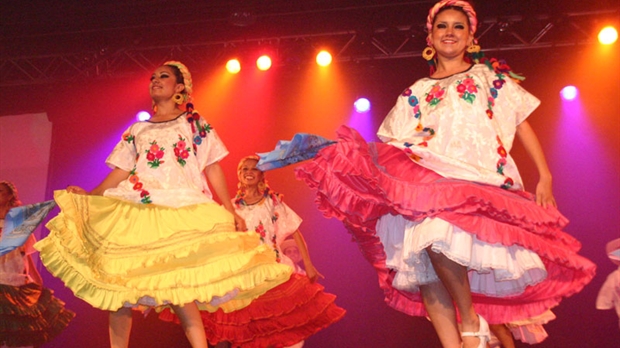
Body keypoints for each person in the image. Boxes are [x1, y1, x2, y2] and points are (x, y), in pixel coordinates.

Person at [289, 1, 596, 347]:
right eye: (442, 26)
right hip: (426, 185)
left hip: (477, 181)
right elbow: (391, 144)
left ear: (471, 39)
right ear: (430, 37)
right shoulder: (415, 92)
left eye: (458, 27)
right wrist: (337, 153)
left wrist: (545, 176)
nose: (450, 32)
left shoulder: (487, 79)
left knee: (436, 239)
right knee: (422, 266)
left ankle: (470, 322)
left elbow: (521, 123)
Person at [33, 62, 292, 348]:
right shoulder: (138, 128)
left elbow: (213, 166)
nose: (156, 80)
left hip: (181, 207)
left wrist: (229, 210)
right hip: (138, 208)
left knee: (178, 289)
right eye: (153, 77)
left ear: (179, 87)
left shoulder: (193, 122)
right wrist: (92, 195)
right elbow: (121, 170)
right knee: (118, 286)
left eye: (164, 77)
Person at [160, 155, 345, 348]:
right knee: (232, 326)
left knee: (284, 324)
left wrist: (308, 264)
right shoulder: (231, 207)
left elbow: (294, 230)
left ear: (261, 174)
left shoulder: (272, 202)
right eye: (244, 169)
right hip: (243, 273)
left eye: (253, 169)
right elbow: (218, 240)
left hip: (272, 268)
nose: (248, 172)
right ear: (238, 175)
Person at [0, 181, 75, 347]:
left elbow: (24, 255)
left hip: (16, 282)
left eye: (0, 191)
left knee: (21, 332)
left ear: (10, 195)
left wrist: (36, 278)